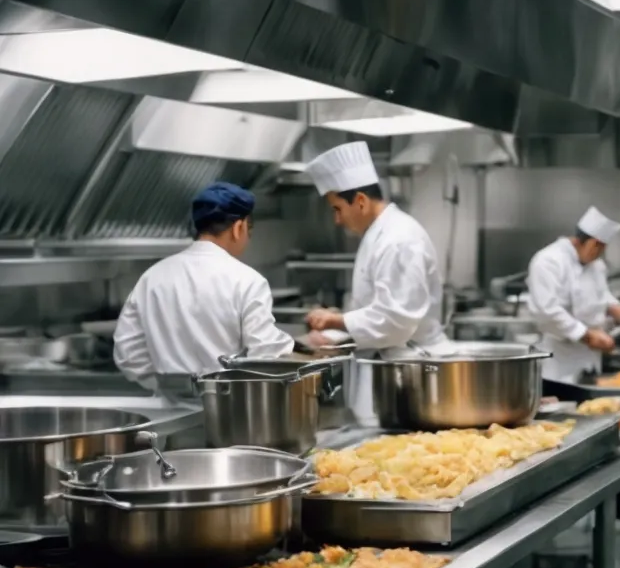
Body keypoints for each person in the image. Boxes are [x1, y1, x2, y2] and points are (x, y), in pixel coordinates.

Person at [302, 141, 448, 425]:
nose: (337, 220)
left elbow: (396, 320)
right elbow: (376, 311)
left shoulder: (398, 239)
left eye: (337, 209)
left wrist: (334, 322)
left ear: (360, 201)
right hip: (392, 373)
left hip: (411, 377)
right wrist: (335, 337)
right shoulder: (381, 235)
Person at [113, 182, 294, 395]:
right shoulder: (247, 281)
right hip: (228, 413)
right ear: (239, 228)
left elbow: (128, 355)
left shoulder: (151, 278)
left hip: (167, 415)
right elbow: (267, 357)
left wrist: (167, 387)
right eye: (249, 231)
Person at [525, 207, 620, 387]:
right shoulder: (548, 261)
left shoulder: (595, 264)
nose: (601, 254)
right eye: (600, 248)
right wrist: (586, 335)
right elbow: (547, 311)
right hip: (559, 362)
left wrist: (612, 306)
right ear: (593, 243)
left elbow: (601, 293)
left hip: (590, 359)